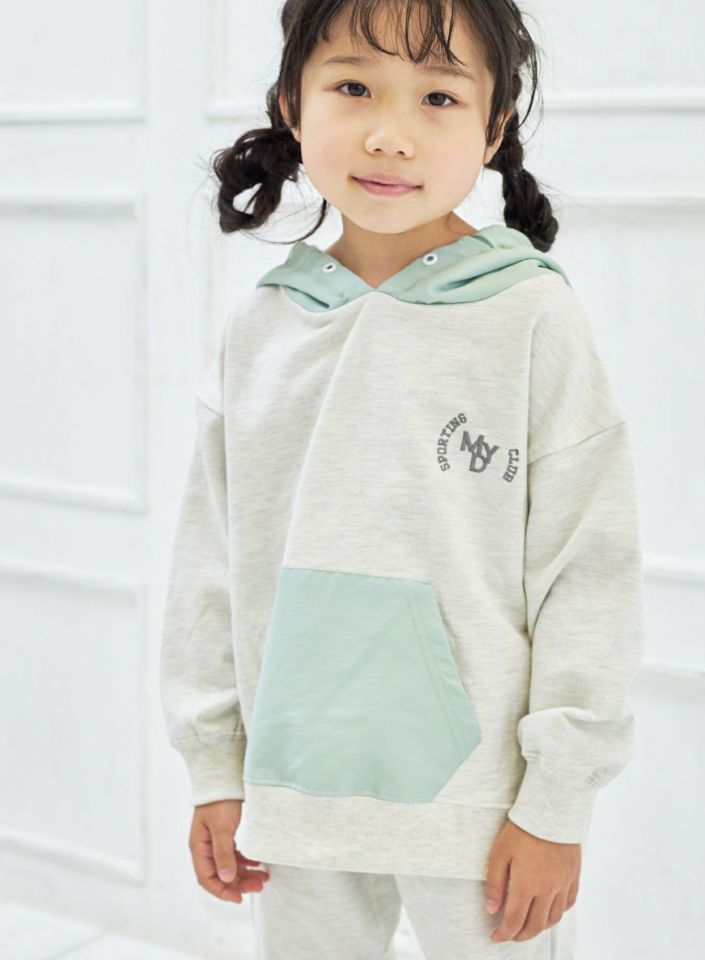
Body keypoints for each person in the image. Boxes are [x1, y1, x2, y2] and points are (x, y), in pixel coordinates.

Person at [159, 0, 646, 957]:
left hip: (483, 809)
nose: (391, 134)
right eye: (353, 86)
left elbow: (588, 570)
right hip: (294, 784)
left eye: (437, 97)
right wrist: (215, 765)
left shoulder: (530, 319)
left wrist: (557, 803)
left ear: (494, 128)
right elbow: (210, 563)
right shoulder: (263, 328)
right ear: (293, 105)